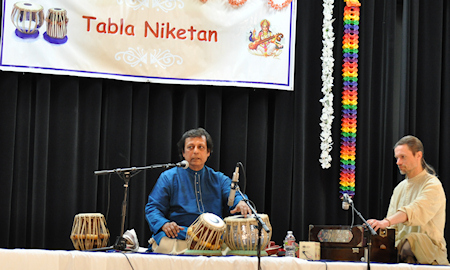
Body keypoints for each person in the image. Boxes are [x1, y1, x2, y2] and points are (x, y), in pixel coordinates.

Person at [145, 128, 251, 254]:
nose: (195, 151)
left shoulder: (219, 179)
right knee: (165, 242)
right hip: (180, 234)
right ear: (183, 153)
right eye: (190, 147)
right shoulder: (169, 177)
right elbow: (153, 208)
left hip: (214, 239)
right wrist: (164, 224)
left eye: (201, 147)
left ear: (208, 152)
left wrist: (240, 202)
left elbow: (234, 194)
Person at [367, 135, 449, 265]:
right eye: (397, 158)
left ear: (418, 155)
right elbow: (392, 229)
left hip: (430, 252)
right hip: (400, 250)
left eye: (403, 157)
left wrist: (386, 222)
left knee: (410, 241)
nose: (398, 162)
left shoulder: (432, 184)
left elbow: (415, 210)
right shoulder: (399, 188)